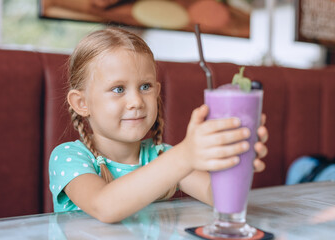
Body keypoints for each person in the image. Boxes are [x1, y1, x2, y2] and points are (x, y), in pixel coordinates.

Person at [49, 27, 268, 223]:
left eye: (145, 86)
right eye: (118, 89)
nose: (136, 101)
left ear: (157, 91)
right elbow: (104, 206)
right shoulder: (69, 157)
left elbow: (219, 198)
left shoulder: (163, 156)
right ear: (81, 103)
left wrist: (236, 156)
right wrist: (184, 155)